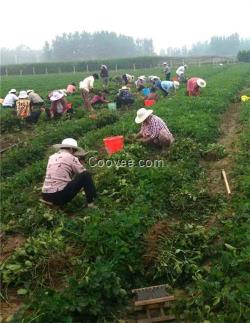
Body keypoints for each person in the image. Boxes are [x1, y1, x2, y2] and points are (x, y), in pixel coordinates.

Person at [42, 138, 97, 208]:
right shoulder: (71, 157)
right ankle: (91, 202)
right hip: (58, 196)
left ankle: (52, 203)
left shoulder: (52, 157)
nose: (74, 153)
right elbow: (83, 173)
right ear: (71, 149)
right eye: (74, 151)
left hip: (45, 195)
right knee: (86, 175)